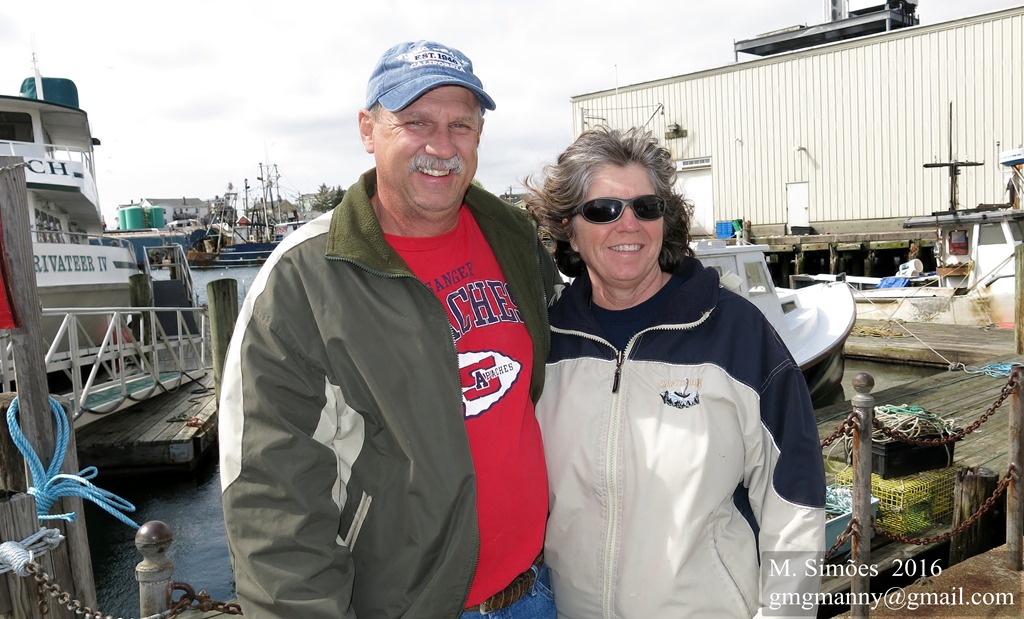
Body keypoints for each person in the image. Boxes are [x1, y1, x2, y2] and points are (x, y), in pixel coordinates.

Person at [219, 40, 558, 619]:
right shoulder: (303, 279)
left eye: (460, 125)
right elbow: (271, 498)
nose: (442, 146)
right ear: (368, 129)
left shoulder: (512, 238)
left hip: (535, 589)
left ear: (479, 135)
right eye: (416, 122)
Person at [524, 126, 826, 618]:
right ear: (569, 228)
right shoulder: (546, 339)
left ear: (665, 220)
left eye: (646, 207)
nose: (629, 224)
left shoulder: (736, 333)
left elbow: (795, 501)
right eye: (603, 210)